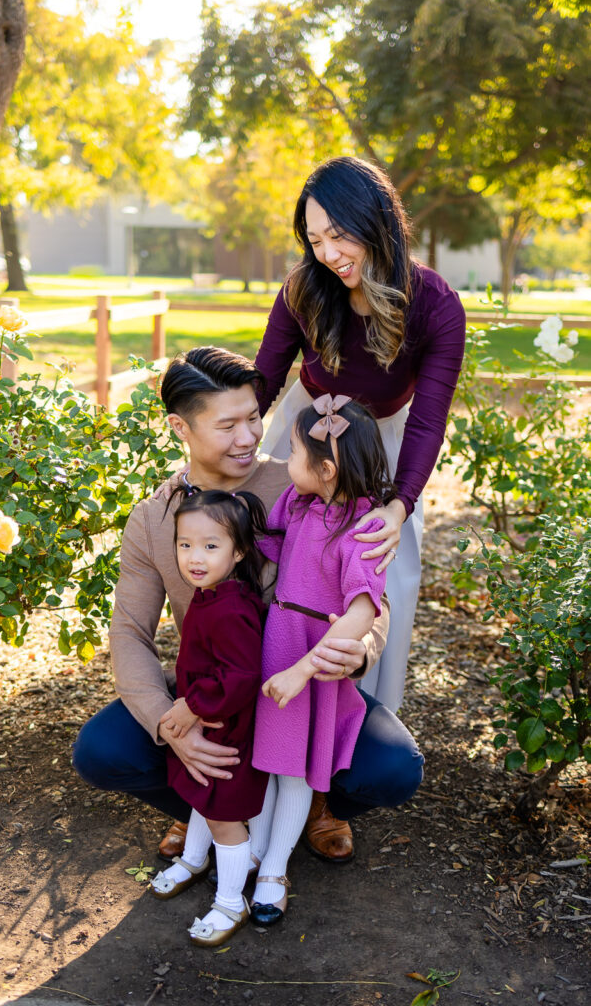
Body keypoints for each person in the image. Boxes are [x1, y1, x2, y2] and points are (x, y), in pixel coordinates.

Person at [72, 347, 423, 871]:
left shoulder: (307, 483)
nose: (250, 437)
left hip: (303, 688)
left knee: (395, 769)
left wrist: (360, 651)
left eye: (254, 417)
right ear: (180, 428)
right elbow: (128, 633)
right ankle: (206, 804)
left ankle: (314, 801)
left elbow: (372, 595)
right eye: (228, 425)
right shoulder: (152, 518)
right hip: (216, 695)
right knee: (101, 750)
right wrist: (172, 726)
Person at [255, 155, 466, 716]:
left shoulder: (436, 305)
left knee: (386, 573)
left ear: (376, 221)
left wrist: (399, 507)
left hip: (387, 440)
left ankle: (358, 732)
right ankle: (262, 710)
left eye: (339, 235)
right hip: (304, 428)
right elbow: (264, 379)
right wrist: (226, 448)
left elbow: (428, 417)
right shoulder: (304, 288)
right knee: (265, 552)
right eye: (315, 239)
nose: (327, 254)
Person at [248, 394, 390, 926]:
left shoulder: (366, 529)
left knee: (294, 774)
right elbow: (267, 541)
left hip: (307, 655)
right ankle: (253, 856)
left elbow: (360, 611)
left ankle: (273, 871)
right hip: (277, 638)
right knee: (267, 762)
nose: (286, 462)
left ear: (326, 468)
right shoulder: (298, 502)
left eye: (292, 452)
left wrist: (305, 668)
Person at [150, 488, 268, 947]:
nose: (194, 557)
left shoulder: (234, 608)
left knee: (224, 816)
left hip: (227, 732)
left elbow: (240, 676)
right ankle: (195, 859)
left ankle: (231, 900)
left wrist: (194, 704)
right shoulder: (209, 594)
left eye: (210, 546)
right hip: (208, 721)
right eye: (185, 544)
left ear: (238, 551)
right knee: (201, 796)